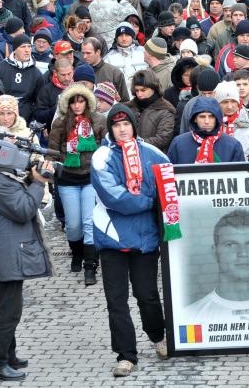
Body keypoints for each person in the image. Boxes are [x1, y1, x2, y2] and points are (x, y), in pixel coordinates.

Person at [91, 104, 170, 377]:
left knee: (147, 295)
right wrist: (148, 200)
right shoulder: (102, 156)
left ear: (134, 126)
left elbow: (168, 185)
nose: (122, 129)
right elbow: (114, 196)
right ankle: (126, 355)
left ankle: (158, 336)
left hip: (145, 238)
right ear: (110, 128)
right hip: (111, 236)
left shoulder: (153, 153)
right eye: (116, 125)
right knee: (116, 300)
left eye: (126, 124)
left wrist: (152, 203)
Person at [0, 126, 53, 381]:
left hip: (2, 253)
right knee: (9, 312)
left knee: (8, 308)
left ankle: (9, 355)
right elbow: (24, 209)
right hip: (4, 256)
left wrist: (31, 179)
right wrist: (39, 183)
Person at [49, 84, 107, 285]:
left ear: (87, 102)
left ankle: (90, 265)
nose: (77, 105)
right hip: (68, 179)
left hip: (91, 177)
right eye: (73, 101)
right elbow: (53, 151)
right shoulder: (60, 123)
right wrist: (54, 170)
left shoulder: (99, 120)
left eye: (81, 101)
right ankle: (76, 253)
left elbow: (105, 148)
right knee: (73, 225)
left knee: (89, 222)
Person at [167, 96, 245, 164]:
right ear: (195, 119)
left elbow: (241, 176)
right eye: (202, 117)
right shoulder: (178, 144)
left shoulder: (233, 145)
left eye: (211, 117)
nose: (207, 121)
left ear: (217, 118)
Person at [124, 69, 175, 153]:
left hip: (154, 155)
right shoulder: (128, 107)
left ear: (153, 88)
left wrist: (136, 143)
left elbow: (163, 139)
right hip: (129, 154)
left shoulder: (166, 109)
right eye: (137, 90)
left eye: (143, 90)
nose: (139, 94)